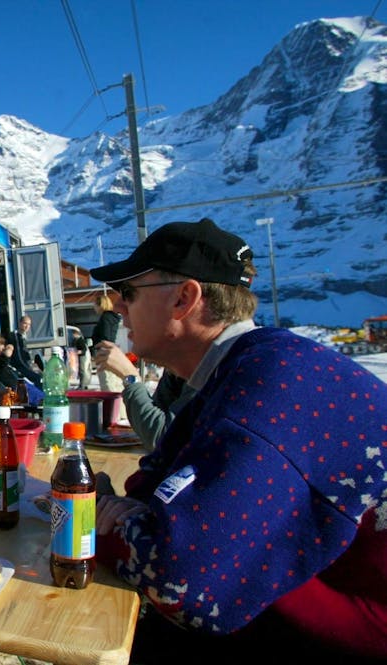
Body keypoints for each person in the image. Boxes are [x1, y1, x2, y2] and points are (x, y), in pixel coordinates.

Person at [91, 218, 387, 663]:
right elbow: (154, 481)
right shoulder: (249, 365)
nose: (117, 307)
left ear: (183, 298)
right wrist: (133, 515)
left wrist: (95, 520)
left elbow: (181, 580)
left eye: (128, 292)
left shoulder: (267, 385)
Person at [90, 341, 194, 451]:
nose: (130, 334)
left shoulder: (203, 372)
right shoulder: (176, 370)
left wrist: (130, 376)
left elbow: (162, 439)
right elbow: (150, 422)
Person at [90, 293, 122, 392]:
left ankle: (110, 400)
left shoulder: (105, 318)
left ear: (100, 305)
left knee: (106, 381)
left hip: (103, 351)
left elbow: (105, 336)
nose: (94, 308)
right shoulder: (112, 317)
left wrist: (97, 347)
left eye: (95, 305)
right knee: (113, 380)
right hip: (110, 350)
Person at [3, 315, 42, 385]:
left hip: (25, 366)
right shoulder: (15, 336)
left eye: (29, 324)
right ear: (19, 323)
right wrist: (29, 369)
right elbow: (19, 357)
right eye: (25, 323)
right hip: (18, 367)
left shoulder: (24, 337)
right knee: (37, 378)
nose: (27, 326)